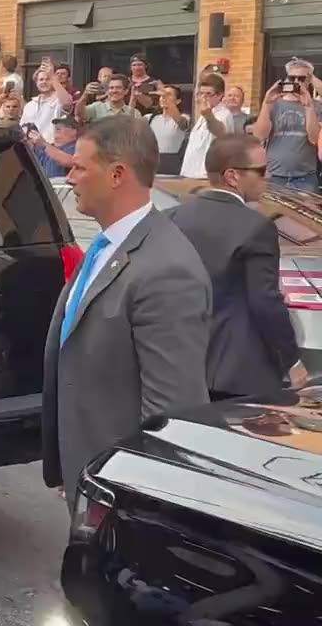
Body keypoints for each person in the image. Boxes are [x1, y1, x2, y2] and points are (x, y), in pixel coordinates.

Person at [42, 115, 211, 511]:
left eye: (80, 168)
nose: (70, 178)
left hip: (125, 494)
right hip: (91, 474)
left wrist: (138, 505)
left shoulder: (167, 269)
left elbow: (172, 413)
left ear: (117, 173)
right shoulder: (107, 247)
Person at [170, 134, 306, 398]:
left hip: (181, 367)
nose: (267, 178)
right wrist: (292, 360)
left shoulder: (173, 218)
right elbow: (265, 301)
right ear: (232, 176)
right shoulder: (257, 227)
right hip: (239, 374)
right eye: (261, 171)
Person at [252, 58, 322, 191]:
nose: (296, 82)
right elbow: (259, 136)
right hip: (274, 175)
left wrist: (308, 107)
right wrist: (266, 105)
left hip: (305, 176)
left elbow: (314, 139)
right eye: (292, 77)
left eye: (301, 78)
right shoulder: (274, 103)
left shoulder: (316, 105)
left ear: (309, 80)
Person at [179, 73, 235, 179]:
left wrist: (208, 116)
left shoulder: (224, 114)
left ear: (220, 95)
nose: (204, 98)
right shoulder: (203, 115)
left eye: (209, 94)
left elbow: (219, 131)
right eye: (201, 93)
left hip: (205, 175)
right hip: (190, 172)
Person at [19, 62, 73, 144]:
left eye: (48, 79)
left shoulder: (59, 100)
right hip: (31, 148)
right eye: (41, 79)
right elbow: (23, 127)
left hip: (51, 147)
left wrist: (52, 76)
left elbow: (67, 103)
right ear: (36, 83)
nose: (44, 82)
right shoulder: (30, 105)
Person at [148, 84, 189, 173]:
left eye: (168, 95)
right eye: (162, 95)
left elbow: (182, 123)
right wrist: (133, 98)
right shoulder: (151, 118)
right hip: (153, 160)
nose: (163, 97)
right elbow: (129, 123)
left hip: (172, 161)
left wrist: (169, 101)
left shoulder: (184, 117)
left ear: (178, 101)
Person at [76, 73, 141, 123]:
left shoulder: (135, 112)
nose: (114, 91)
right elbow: (79, 115)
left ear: (126, 91)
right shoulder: (96, 107)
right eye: (111, 88)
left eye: (118, 88)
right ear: (107, 91)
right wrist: (85, 95)